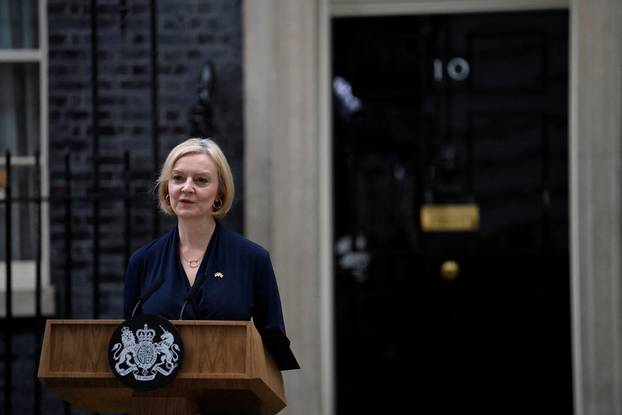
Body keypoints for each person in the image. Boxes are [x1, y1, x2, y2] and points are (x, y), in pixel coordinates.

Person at [123, 137, 299, 370]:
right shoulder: (143, 261)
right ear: (167, 189)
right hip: (161, 400)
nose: (187, 188)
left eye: (201, 180)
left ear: (219, 193)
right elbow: (129, 341)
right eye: (178, 178)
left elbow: (272, 346)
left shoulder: (253, 260)